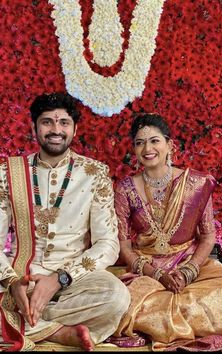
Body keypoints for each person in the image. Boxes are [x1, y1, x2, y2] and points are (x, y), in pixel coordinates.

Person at [0, 92, 131, 351]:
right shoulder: (8, 172)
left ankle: (27, 322)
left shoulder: (95, 173)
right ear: (34, 127)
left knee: (116, 297)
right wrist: (11, 282)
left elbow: (107, 244)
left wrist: (60, 279)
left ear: (74, 129)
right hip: (21, 277)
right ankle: (60, 332)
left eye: (63, 123)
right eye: (47, 122)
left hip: (75, 278)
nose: (55, 129)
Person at [110, 113, 222, 351]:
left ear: (170, 145)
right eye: (139, 142)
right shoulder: (124, 189)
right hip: (146, 271)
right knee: (123, 308)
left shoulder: (196, 184)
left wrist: (188, 271)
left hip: (190, 266)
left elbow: (208, 236)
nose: (147, 148)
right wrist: (156, 274)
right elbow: (124, 245)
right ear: (134, 150)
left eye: (154, 140)